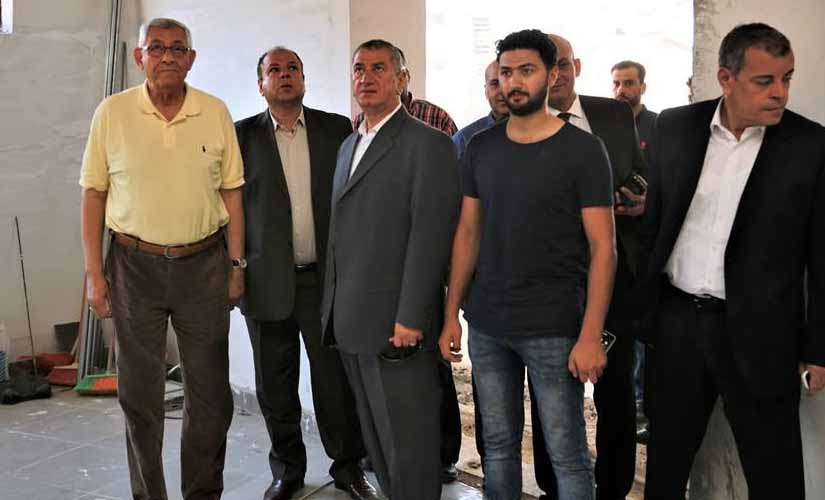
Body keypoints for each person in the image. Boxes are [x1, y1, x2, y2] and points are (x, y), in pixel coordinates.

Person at [637, 23, 825, 499]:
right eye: (765, 81)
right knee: (666, 465)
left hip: (763, 334)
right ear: (726, 78)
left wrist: (819, 349)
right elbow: (654, 225)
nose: (780, 93)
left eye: (787, 78)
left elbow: (822, 258)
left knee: (776, 475)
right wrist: (645, 317)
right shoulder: (675, 126)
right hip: (678, 325)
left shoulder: (810, 146)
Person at [440, 29, 615, 500]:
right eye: (506, 72)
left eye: (527, 71)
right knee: (497, 448)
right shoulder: (481, 147)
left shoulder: (583, 151)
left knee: (567, 454)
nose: (514, 82)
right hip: (488, 325)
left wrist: (590, 335)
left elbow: (604, 248)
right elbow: (468, 234)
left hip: (554, 326)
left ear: (552, 75)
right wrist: (451, 314)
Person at [79, 18, 244, 500]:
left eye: (177, 48)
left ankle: (202, 493)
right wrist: (94, 274)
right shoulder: (112, 113)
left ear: (191, 58)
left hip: (204, 265)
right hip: (133, 267)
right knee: (140, 397)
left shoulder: (214, 112)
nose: (167, 56)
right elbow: (93, 194)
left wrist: (236, 265)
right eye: (156, 48)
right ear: (140, 57)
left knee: (210, 396)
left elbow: (232, 193)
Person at [234, 46, 378, 500]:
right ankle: (287, 471)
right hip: (265, 283)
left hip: (325, 282)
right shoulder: (241, 137)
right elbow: (228, 209)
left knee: (335, 384)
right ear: (261, 84)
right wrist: (234, 270)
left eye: (292, 68)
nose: (285, 75)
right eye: (274, 70)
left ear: (303, 78)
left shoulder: (335, 129)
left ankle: (348, 468)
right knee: (275, 385)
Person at [321, 39, 460, 500]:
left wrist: (411, 316)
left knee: (410, 448)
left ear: (402, 79)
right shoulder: (349, 145)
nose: (366, 77)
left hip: (398, 326)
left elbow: (430, 237)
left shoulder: (429, 144)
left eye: (379, 68)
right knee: (379, 446)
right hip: (352, 321)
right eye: (359, 68)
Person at [542, 33, 646, 500]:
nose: (557, 75)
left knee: (616, 392)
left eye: (563, 64)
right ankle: (554, 488)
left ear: (577, 66)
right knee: (551, 395)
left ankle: (614, 488)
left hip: (616, 280)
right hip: (552, 284)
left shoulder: (614, 115)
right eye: (548, 67)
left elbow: (639, 169)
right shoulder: (522, 126)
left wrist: (637, 194)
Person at [610, 58, 659, 443]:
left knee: (641, 338)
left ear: (642, 86)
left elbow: (666, 179)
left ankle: (642, 406)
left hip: (644, 248)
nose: (622, 91)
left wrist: (648, 200)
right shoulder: (607, 126)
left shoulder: (657, 127)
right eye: (616, 83)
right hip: (610, 244)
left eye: (628, 83)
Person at [452, 60, 510, 160]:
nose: (502, 91)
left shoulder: (537, 134)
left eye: (508, 83)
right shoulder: (464, 140)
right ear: (486, 91)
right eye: (495, 84)